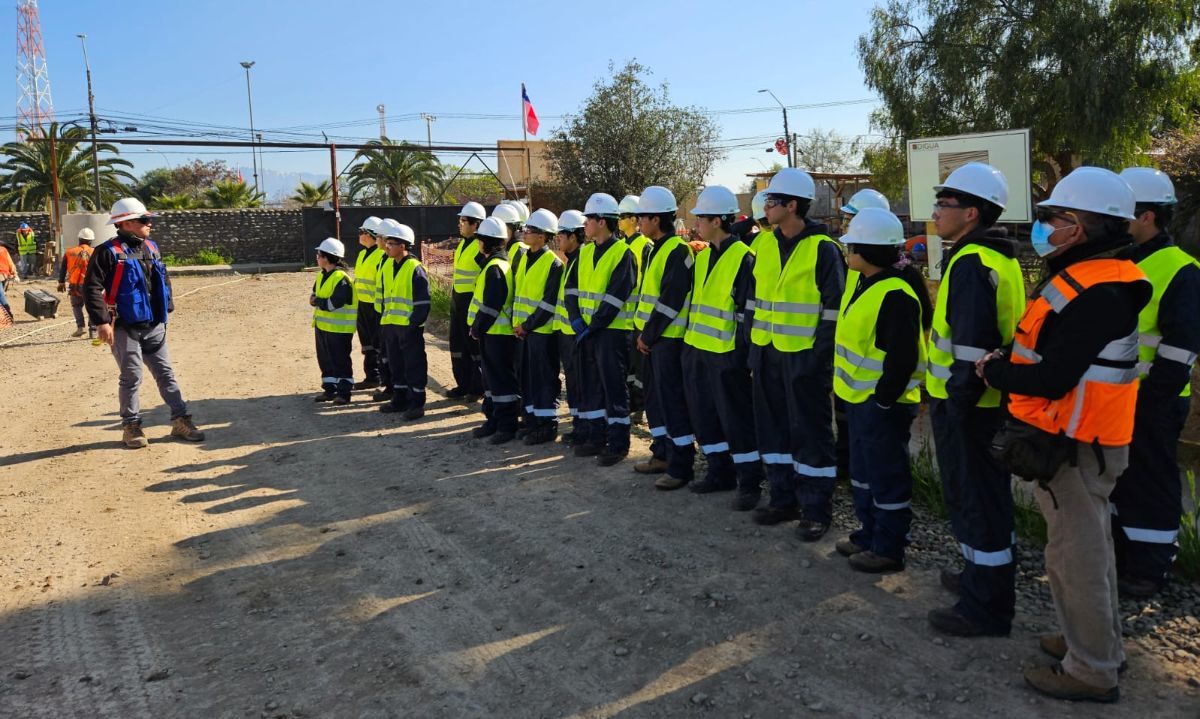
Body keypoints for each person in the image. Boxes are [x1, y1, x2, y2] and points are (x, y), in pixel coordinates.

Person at [980, 167, 1150, 703]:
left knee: (1076, 558)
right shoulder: (1089, 277)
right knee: (1085, 551)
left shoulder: (1099, 288)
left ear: (1078, 226)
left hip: (1077, 445)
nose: (1043, 225)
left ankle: (1092, 669)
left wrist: (995, 372)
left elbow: (1054, 376)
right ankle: (1095, 644)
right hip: (1079, 440)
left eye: (1052, 216)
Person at [923, 162, 1026, 638]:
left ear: (971, 213)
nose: (935, 212)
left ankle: (984, 607)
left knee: (976, 501)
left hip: (968, 407)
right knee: (984, 500)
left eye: (943, 205)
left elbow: (969, 348)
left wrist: (958, 407)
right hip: (981, 404)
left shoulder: (970, 263)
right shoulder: (996, 258)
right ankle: (979, 578)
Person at [1111, 167, 1200, 598]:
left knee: (1152, 479)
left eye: (1122, 213)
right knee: (1120, 481)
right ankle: (1121, 558)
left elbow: (1181, 348)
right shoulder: (1122, 261)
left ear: (1147, 216)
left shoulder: (1180, 269)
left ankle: (1150, 569)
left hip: (1153, 400)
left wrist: (1152, 399)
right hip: (1113, 398)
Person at [832, 208, 931, 573]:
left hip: (881, 405)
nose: (847, 252)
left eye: (852, 246)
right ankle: (868, 535)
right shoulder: (862, 282)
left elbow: (902, 358)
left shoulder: (895, 293)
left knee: (886, 476)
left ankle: (888, 548)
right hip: (860, 401)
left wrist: (884, 400)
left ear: (869, 250)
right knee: (863, 472)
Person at [749, 168, 845, 539]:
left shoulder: (823, 248)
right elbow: (755, 301)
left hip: (804, 357)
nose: (766, 205)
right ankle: (782, 498)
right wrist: (754, 349)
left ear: (792, 206)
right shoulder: (766, 245)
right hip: (768, 353)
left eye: (773, 200)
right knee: (772, 429)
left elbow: (833, 310)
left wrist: (816, 358)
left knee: (811, 433)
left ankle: (816, 509)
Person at [83, 198, 205, 448]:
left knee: (166, 373)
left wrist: (167, 306)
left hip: (154, 325)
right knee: (132, 376)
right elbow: (91, 287)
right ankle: (131, 426)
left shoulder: (151, 247)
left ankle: (181, 420)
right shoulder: (107, 252)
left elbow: (163, 277)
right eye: (144, 220)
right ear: (126, 223)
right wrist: (102, 322)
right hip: (124, 326)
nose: (149, 224)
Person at [681, 186, 762, 509]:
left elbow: (745, 315)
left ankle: (749, 481)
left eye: (701, 218)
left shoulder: (743, 258)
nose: (696, 224)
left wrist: (741, 358)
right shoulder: (703, 257)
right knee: (705, 416)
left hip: (727, 355)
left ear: (717, 220)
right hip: (699, 350)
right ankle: (719, 471)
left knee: (737, 420)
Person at [565, 193, 637, 466]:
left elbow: (616, 297)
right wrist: (576, 320)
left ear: (603, 222)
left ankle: (618, 443)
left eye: (589, 219)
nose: (584, 224)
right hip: (587, 332)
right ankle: (596, 437)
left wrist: (591, 326)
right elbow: (570, 290)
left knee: (614, 388)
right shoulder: (583, 253)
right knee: (592, 386)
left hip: (612, 333)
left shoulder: (623, 254)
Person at [633, 186, 696, 490]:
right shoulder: (653, 248)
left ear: (656, 219)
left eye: (641, 217)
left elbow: (670, 300)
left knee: (673, 403)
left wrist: (648, 334)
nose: (638, 222)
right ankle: (662, 453)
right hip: (652, 340)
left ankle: (682, 465)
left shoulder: (677, 251)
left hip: (667, 340)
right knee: (655, 401)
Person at [513, 209, 565, 445]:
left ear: (543, 236)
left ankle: (547, 425)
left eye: (530, 231)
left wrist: (528, 325)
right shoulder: (525, 258)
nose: (525, 234)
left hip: (541, 333)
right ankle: (532, 420)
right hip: (524, 332)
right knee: (528, 379)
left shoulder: (553, 264)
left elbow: (548, 303)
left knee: (544, 380)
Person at [468, 217, 520, 444]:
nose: (478, 244)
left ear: (486, 242)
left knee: (500, 382)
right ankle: (493, 420)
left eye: (481, 240)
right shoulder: (494, 264)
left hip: (497, 335)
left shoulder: (496, 268)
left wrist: (477, 328)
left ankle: (506, 426)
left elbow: (491, 305)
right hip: (492, 334)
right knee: (490, 381)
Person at [375, 219, 430, 420]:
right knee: (396, 365)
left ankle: (416, 403)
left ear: (403, 246)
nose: (387, 247)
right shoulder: (388, 266)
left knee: (413, 365)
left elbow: (423, 303)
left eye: (391, 244)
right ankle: (399, 399)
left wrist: (413, 325)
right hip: (390, 325)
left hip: (409, 328)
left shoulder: (415, 268)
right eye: (387, 243)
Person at [619, 193, 655, 434]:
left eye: (623, 217)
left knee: (641, 368)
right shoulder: (624, 246)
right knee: (631, 367)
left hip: (641, 316)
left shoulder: (645, 245)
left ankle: (641, 408)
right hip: (627, 318)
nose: (619, 221)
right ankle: (633, 402)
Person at [447, 202, 487, 401]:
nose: (459, 224)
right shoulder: (463, 244)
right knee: (457, 345)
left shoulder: (481, 248)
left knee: (472, 347)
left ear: (476, 224)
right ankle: (462, 384)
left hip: (471, 302)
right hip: (457, 300)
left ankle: (476, 387)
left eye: (463, 221)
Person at [310, 237, 357, 404]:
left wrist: (318, 302)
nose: (317, 257)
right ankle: (329, 390)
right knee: (325, 360)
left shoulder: (341, 279)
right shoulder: (322, 275)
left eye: (319, 254)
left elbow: (333, 303)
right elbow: (314, 294)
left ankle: (344, 393)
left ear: (327, 257)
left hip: (339, 330)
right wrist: (315, 300)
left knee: (340, 361)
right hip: (323, 327)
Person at [554, 209, 587, 445]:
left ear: (574, 236)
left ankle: (585, 427)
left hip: (578, 335)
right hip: (567, 334)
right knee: (574, 383)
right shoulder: (571, 262)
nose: (558, 239)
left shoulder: (582, 261)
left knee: (582, 384)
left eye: (562, 235)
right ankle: (578, 426)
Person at [352, 216, 387, 393]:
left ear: (371, 234)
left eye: (362, 232)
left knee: (378, 344)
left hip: (376, 307)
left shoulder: (381, 255)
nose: (359, 235)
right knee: (367, 344)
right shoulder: (362, 254)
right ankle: (371, 377)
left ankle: (382, 378)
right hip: (363, 306)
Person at [58, 227, 97, 338]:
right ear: (91, 241)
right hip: (91, 285)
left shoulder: (69, 252)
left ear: (79, 239)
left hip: (74, 285)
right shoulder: (95, 252)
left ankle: (80, 327)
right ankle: (93, 331)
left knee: (76, 306)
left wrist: (61, 282)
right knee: (92, 307)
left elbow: (63, 268)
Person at [0, 241, 17, 322]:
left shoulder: (3, 250)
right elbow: (10, 263)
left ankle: (9, 316)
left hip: (2, 274)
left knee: (1, 295)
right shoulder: (3, 250)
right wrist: (14, 272)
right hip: (4, 276)